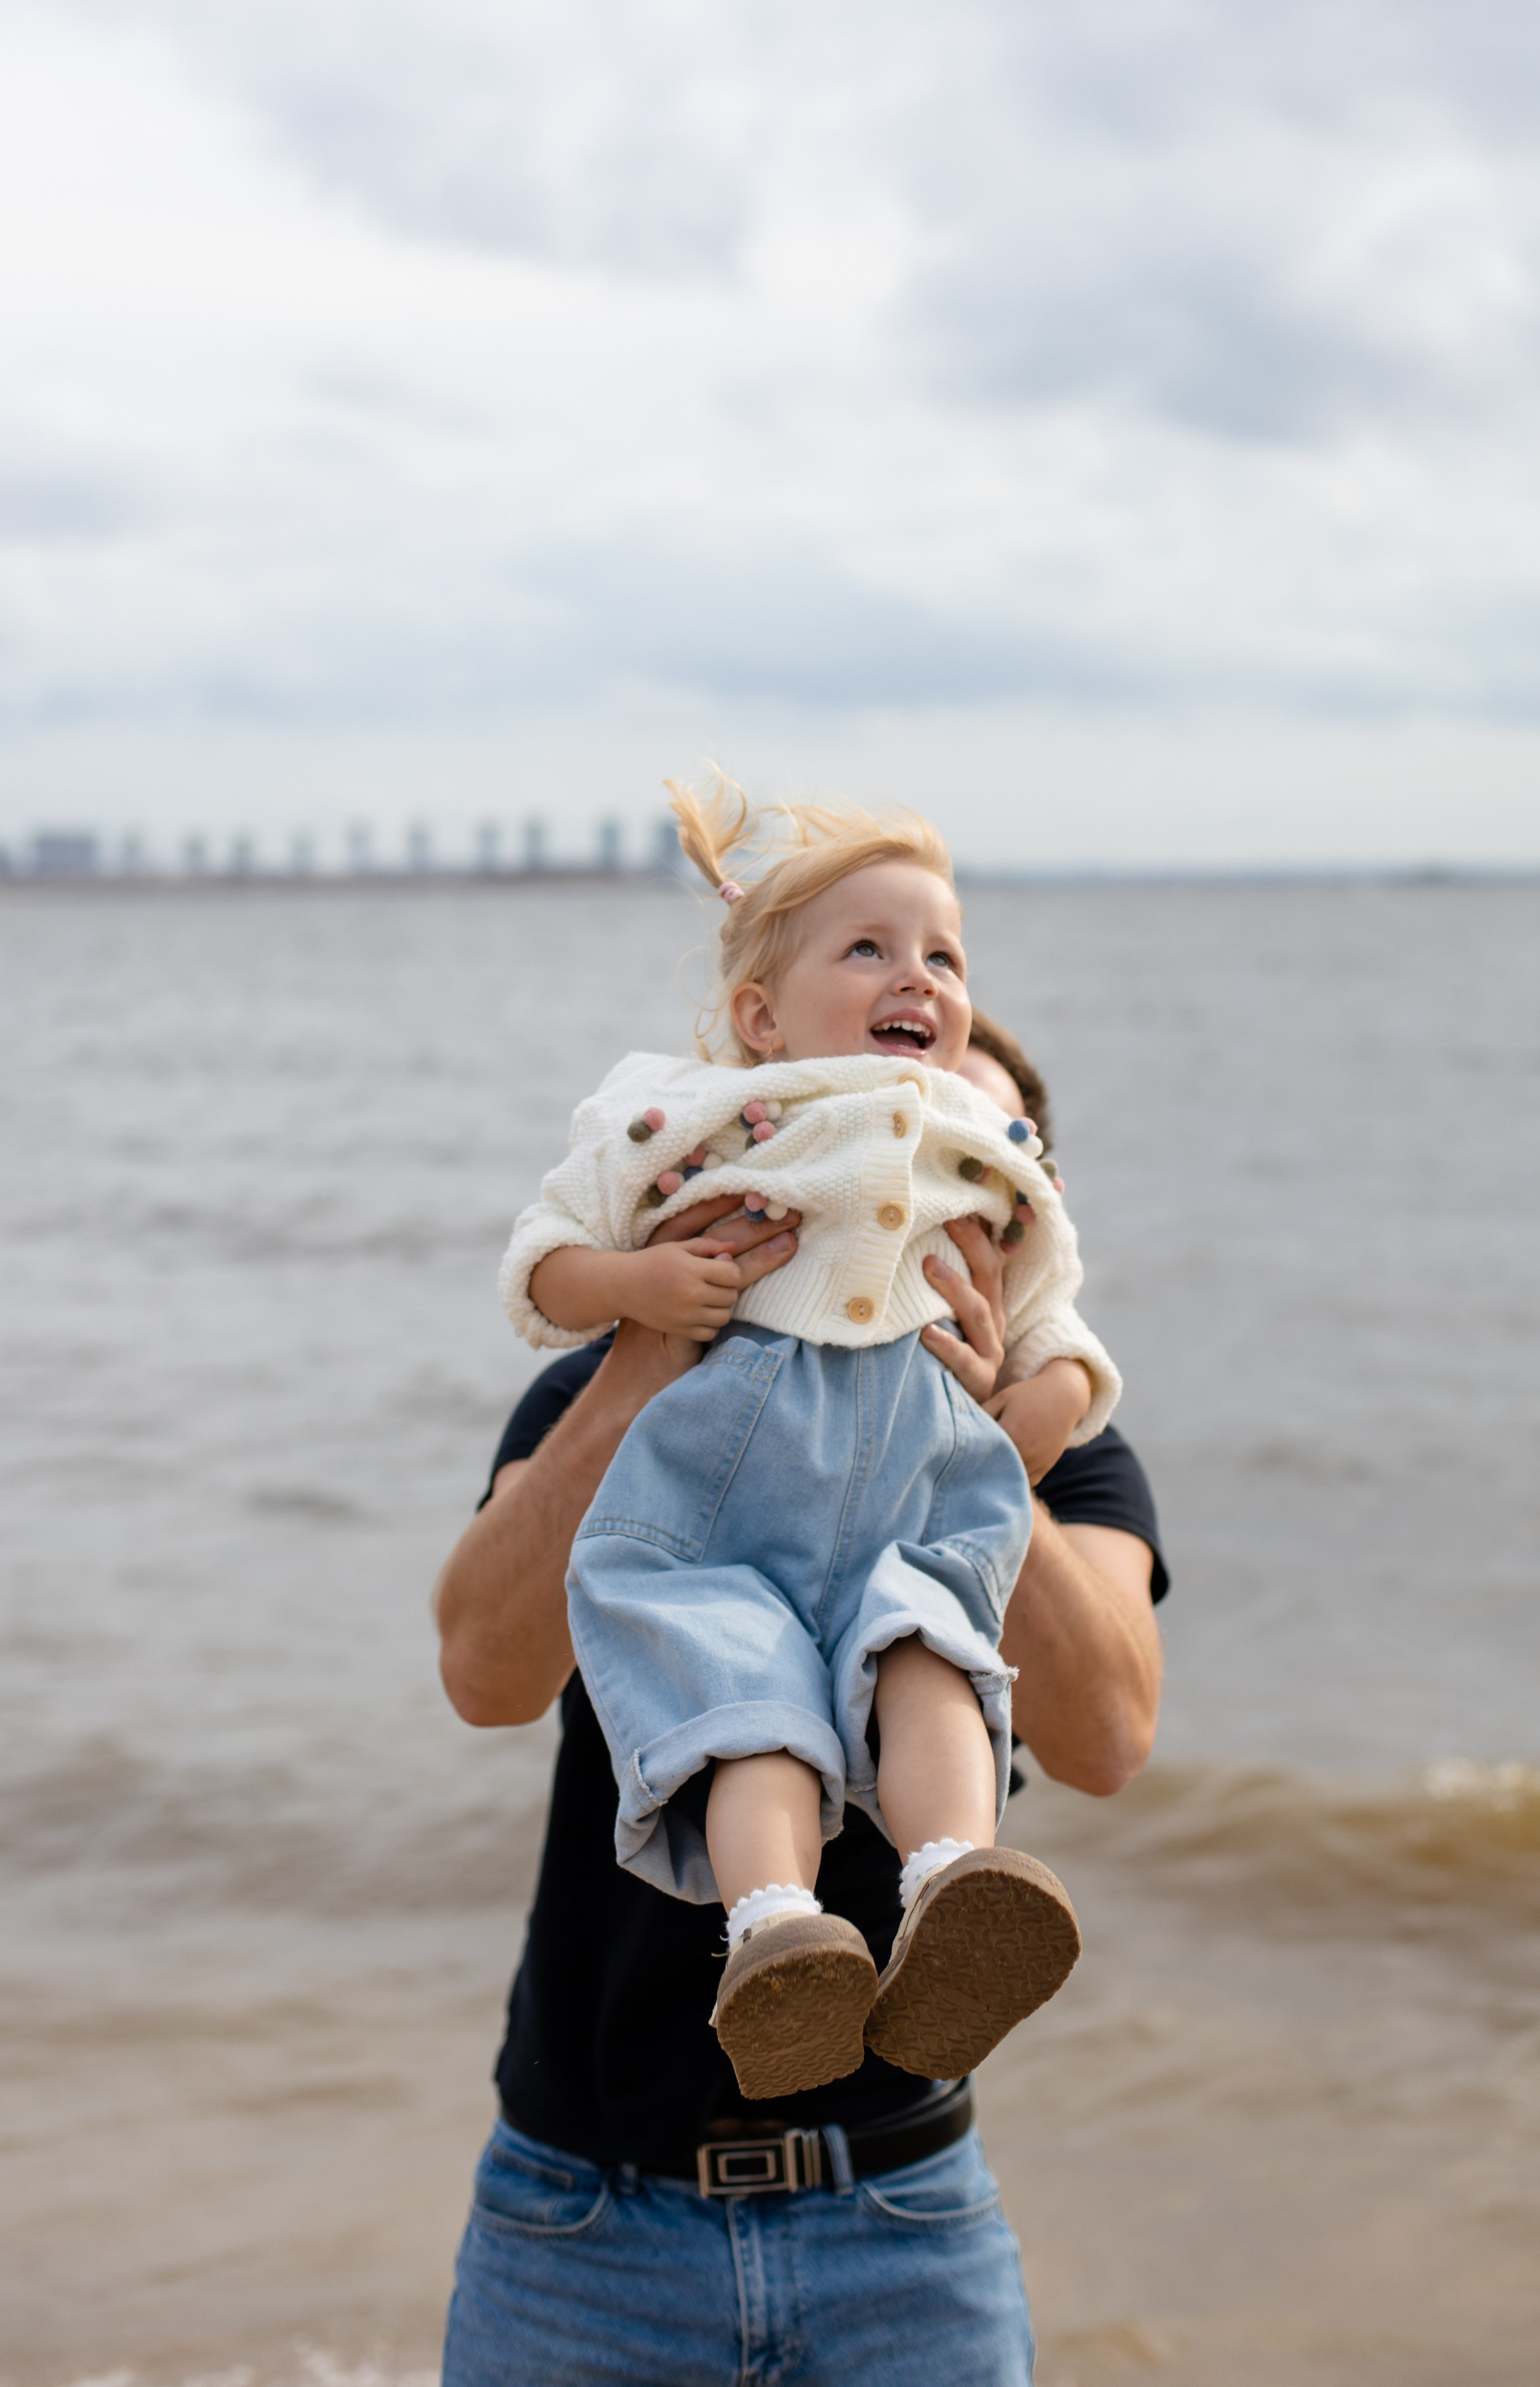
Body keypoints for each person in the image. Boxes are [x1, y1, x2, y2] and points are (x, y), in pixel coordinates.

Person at [433, 998, 1167, 2386]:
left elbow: (1111, 1737)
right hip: (581, 2210)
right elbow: (483, 1672)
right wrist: (650, 1357)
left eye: (948, 1158)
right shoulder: (644, 1395)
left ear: (1009, 1221)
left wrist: (977, 1456)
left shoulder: (1064, 1449)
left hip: (899, 2210)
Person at [495, 783, 1121, 2099]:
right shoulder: (694, 1124)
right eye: (870, 949)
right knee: (744, 1710)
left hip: (916, 1485)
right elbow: (544, 1260)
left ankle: (952, 1884)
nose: (918, 977)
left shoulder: (980, 1165)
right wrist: (640, 1302)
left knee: (935, 1654)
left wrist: (1023, 1417)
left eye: (943, 956)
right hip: (719, 1507)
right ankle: (776, 1930)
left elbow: (1061, 1324)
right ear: (758, 1022)